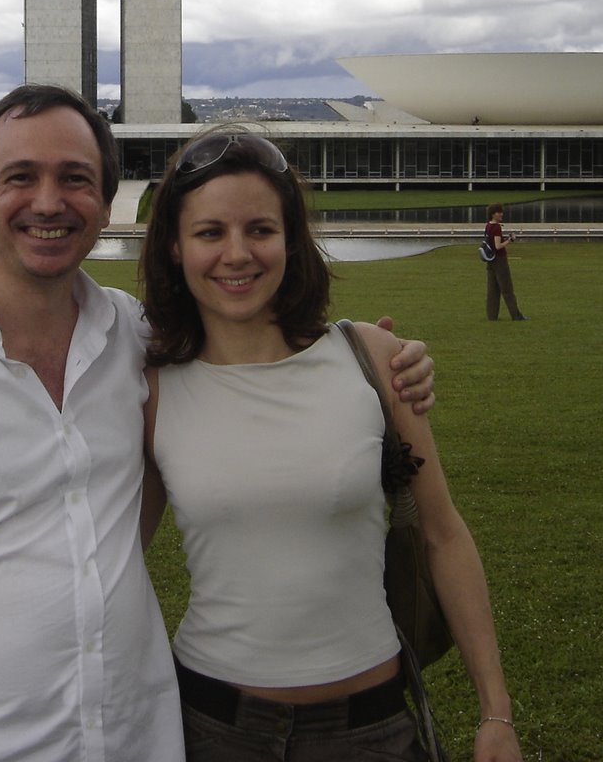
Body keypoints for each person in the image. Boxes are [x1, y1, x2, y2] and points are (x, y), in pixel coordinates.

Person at [0, 87, 438, 762]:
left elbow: (257, 346)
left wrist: (386, 361)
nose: (49, 202)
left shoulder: (139, 340)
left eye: (75, 179)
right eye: (20, 178)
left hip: (136, 733)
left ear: (104, 203)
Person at [139, 128, 520, 761]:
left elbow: (443, 534)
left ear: (290, 239)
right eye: (210, 233)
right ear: (176, 248)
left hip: (370, 729)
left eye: (260, 229)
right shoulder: (153, 387)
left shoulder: (370, 358)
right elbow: (115, 560)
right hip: (212, 727)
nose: (238, 254)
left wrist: (495, 712)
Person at [483, 204, 527, 321]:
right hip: (500, 261)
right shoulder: (496, 227)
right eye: (499, 212)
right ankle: (516, 315)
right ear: (493, 214)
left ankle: (492, 316)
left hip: (490, 260)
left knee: (492, 290)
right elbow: (498, 246)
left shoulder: (488, 226)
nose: (501, 214)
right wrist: (510, 240)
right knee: (507, 289)